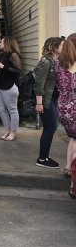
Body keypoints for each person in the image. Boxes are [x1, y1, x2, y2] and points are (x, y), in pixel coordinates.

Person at [34, 37, 64, 168]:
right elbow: (39, 84)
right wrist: (39, 103)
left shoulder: (55, 62)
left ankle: (45, 155)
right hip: (45, 101)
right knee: (50, 127)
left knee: (50, 127)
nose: (64, 48)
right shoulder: (45, 62)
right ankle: (42, 159)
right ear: (54, 47)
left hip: (52, 99)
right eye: (62, 45)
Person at [53, 33, 76, 197]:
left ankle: (68, 166)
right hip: (75, 108)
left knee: (73, 138)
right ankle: (74, 184)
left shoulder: (57, 65)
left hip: (62, 107)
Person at [0, 36, 21, 141]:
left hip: (9, 86)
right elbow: (4, 69)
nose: (0, 43)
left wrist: (3, 67)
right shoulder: (3, 54)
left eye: (2, 42)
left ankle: (13, 132)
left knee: (12, 110)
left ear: (7, 43)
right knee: (0, 109)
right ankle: (7, 130)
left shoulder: (13, 55)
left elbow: (18, 70)